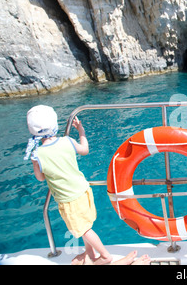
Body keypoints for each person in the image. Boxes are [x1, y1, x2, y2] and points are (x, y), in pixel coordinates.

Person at [24, 105, 113, 265]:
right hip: (84, 190)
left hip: (68, 199)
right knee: (85, 226)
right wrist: (81, 131)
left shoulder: (38, 155)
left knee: (83, 230)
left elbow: (41, 178)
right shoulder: (68, 141)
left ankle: (105, 256)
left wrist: (35, 164)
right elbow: (84, 150)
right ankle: (90, 254)